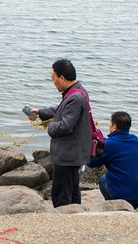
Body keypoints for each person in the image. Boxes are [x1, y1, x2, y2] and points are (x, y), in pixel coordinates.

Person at [27, 59, 93, 207]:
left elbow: (65, 126)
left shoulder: (75, 97)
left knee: (61, 194)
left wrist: (50, 127)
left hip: (68, 155)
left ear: (62, 78)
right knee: (72, 190)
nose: (53, 82)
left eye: (53, 78)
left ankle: (64, 218)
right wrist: (40, 112)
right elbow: (62, 108)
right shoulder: (77, 90)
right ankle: (74, 214)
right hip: (74, 153)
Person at [87, 111, 138, 208]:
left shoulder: (109, 144)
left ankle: (113, 206)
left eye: (110, 122)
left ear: (114, 127)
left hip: (124, 196)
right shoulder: (135, 140)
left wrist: (92, 149)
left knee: (103, 180)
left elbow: (91, 163)